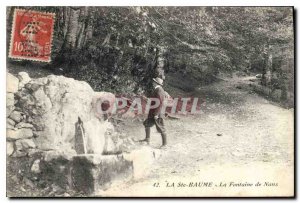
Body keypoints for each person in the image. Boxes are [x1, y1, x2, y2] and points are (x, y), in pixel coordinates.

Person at [140, 77, 167, 148]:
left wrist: (156, 114)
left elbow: (159, 103)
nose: (153, 82)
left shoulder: (159, 90)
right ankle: (147, 139)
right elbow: (153, 101)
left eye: (154, 81)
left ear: (156, 83)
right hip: (153, 112)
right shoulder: (156, 89)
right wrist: (145, 98)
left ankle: (165, 145)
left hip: (157, 113)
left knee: (161, 127)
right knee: (146, 124)